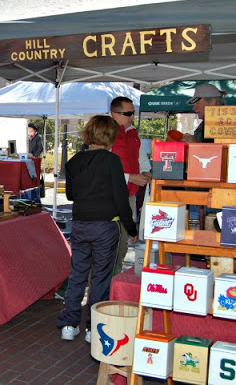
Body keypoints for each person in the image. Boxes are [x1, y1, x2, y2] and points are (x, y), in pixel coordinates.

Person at [56, 115, 138, 343]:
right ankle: (94, 328)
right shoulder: (112, 161)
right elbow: (122, 200)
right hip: (105, 226)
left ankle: (69, 324)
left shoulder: (73, 161)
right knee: (101, 277)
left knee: (78, 274)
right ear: (110, 136)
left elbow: (71, 195)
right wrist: (131, 228)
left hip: (80, 224)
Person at [109, 96, 151, 275]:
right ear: (114, 114)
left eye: (133, 113)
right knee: (108, 245)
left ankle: (113, 284)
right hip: (109, 198)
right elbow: (101, 170)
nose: (132, 117)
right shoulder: (106, 134)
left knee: (123, 244)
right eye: (128, 113)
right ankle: (100, 291)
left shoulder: (133, 134)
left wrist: (146, 173)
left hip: (130, 197)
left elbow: (142, 161)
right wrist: (130, 178)